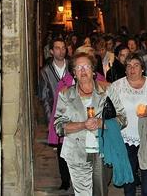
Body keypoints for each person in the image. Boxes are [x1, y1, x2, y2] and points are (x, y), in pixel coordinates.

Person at [54, 52, 126, 196]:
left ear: (93, 70)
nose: (82, 70)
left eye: (86, 66)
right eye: (78, 67)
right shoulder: (66, 94)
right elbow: (59, 127)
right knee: (83, 193)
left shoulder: (107, 90)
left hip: (103, 150)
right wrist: (83, 125)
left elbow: (122, 119)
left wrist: (100, 123)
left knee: (100, 191)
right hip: (76, 151)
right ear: (73, 73)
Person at [111, 54, 147, 196]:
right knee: (129, 175)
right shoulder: (117, 86)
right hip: (125, 137)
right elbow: (110, 110)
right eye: (128, 66)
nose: (132, 69)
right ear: (125, 70)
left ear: (142, 69)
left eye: (136, 65)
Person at [38, 37, 70, 190]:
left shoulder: (72, 66)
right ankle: (65, 179)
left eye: (63, 47)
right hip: (57, 114)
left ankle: (75, 175)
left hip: (74, 112)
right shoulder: (45, 71)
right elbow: (44, 97)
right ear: (51, 51)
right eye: (57, 48)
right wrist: (50, 119)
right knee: (61, 148)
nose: (61, 50)